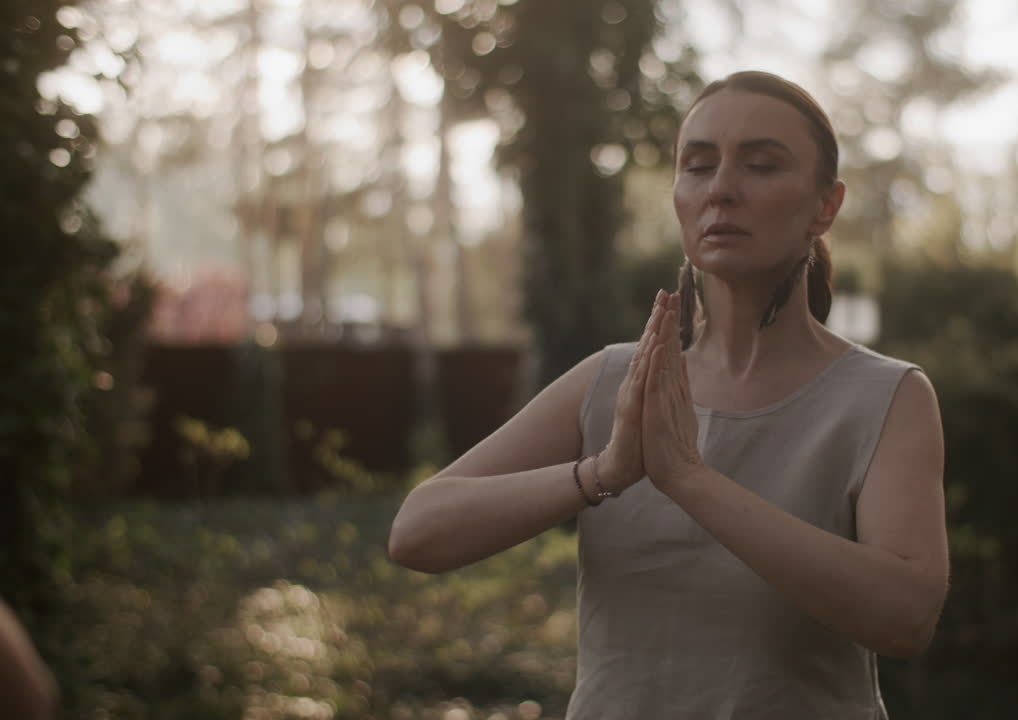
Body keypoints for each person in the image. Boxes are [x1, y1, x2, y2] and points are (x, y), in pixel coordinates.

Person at [389, 70, 948, 719]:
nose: (721, 189)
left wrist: (688, 478)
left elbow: (905, 617)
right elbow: (416, 532)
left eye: (761, 165)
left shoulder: (887, 397)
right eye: (698, 165)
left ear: (826, 206)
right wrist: (603, 473)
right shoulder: (613, 383)